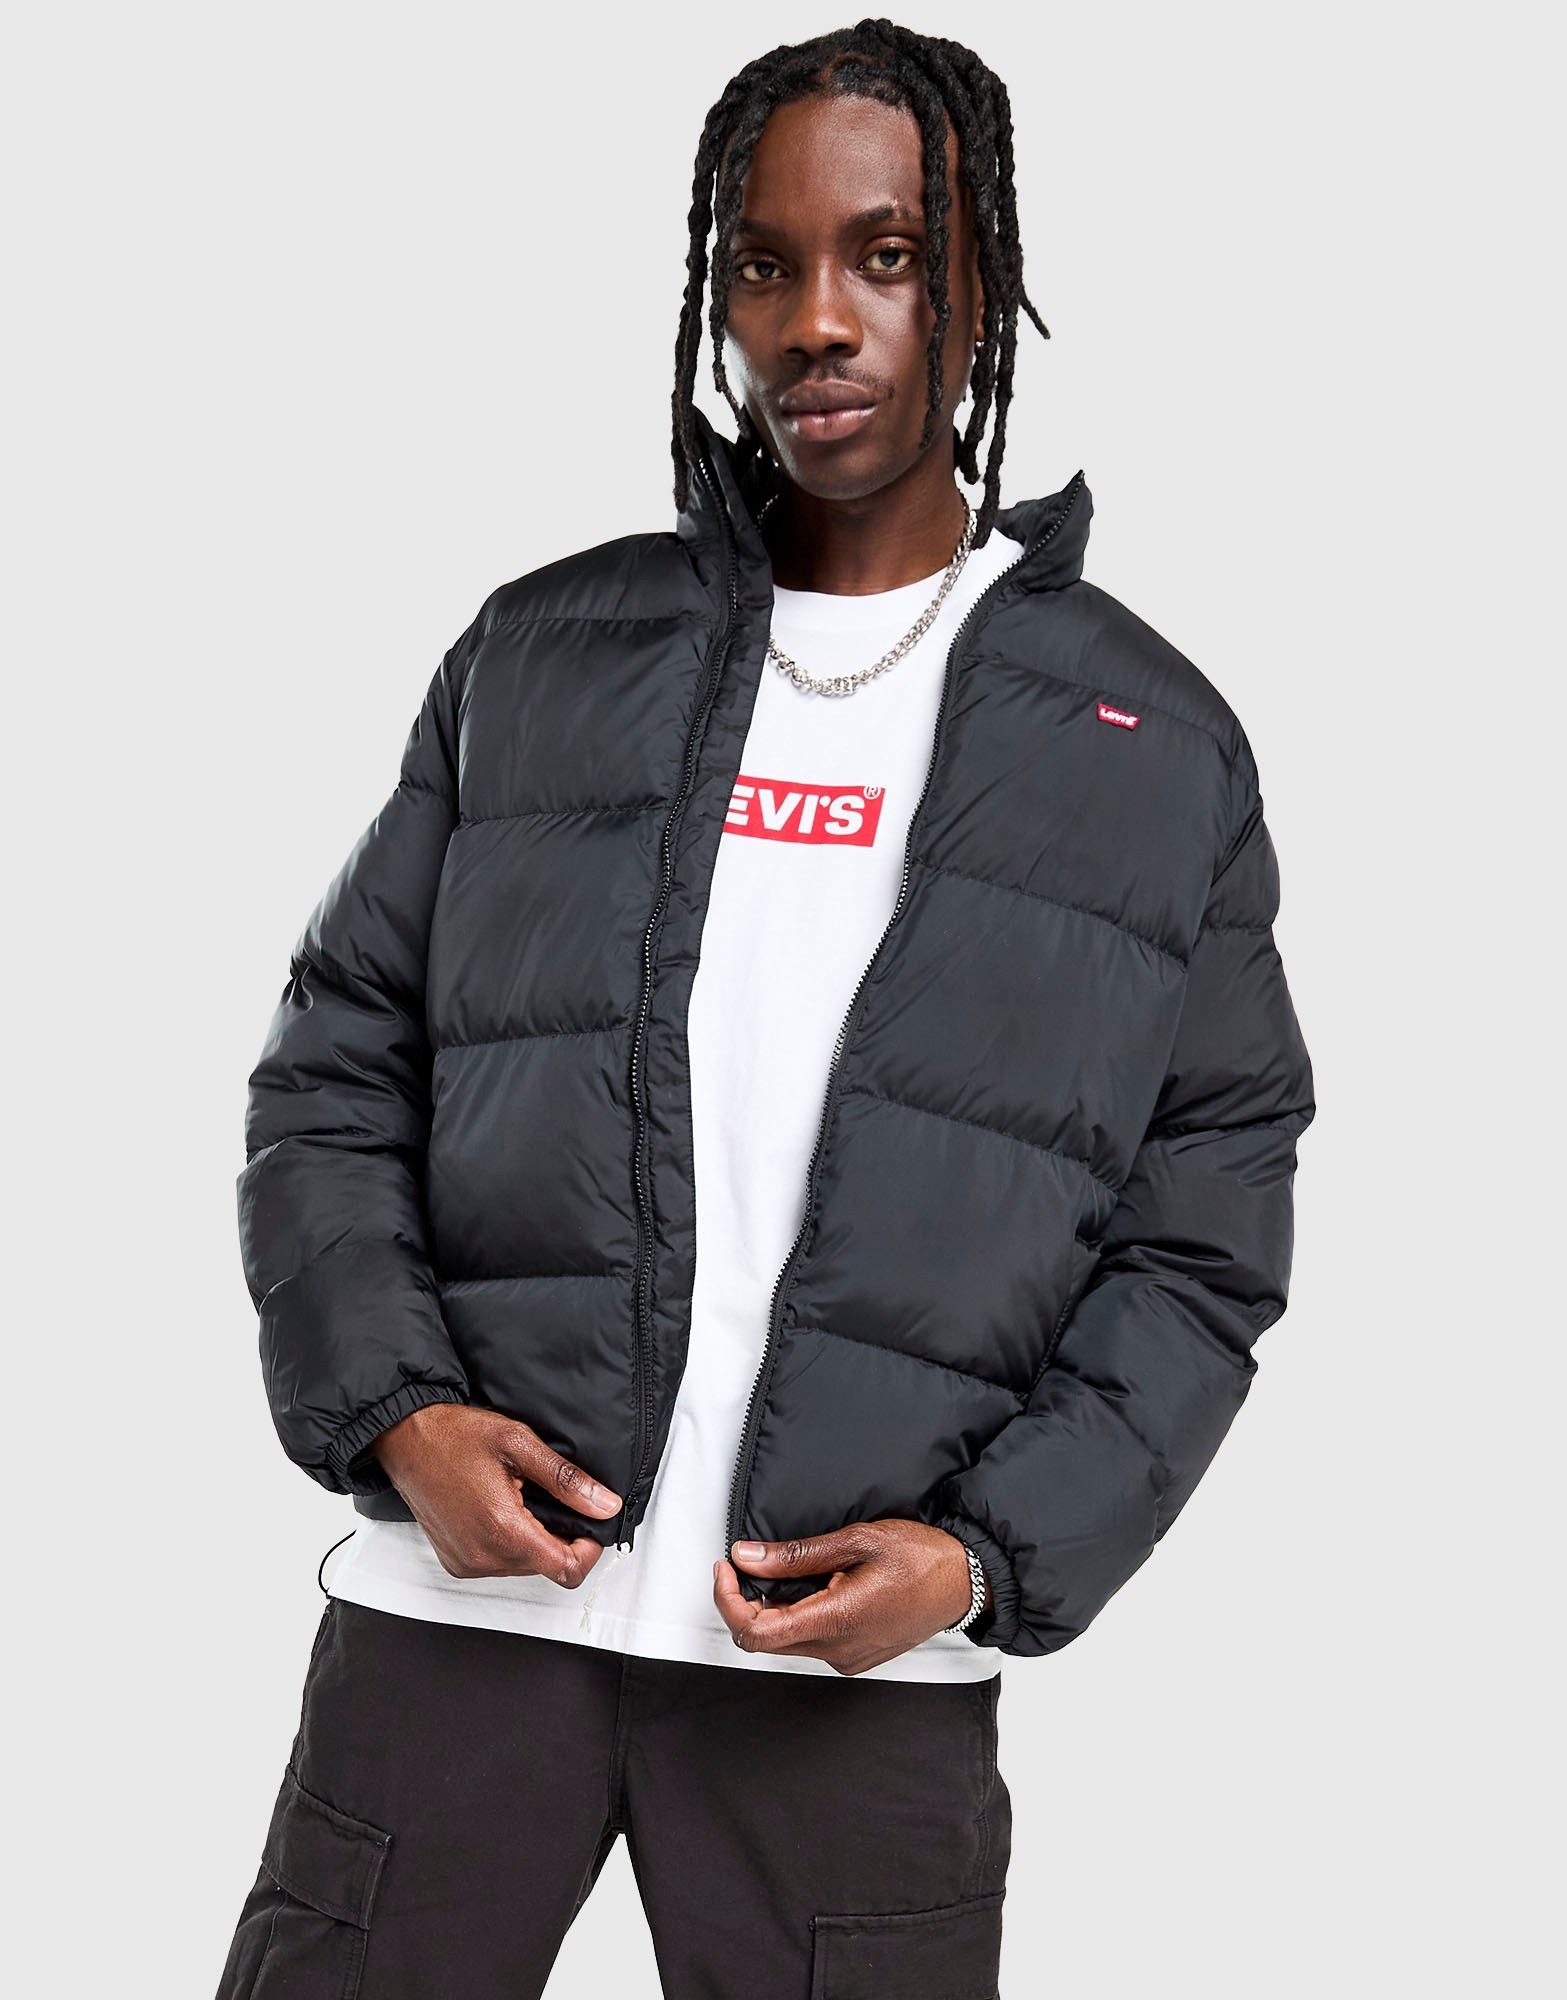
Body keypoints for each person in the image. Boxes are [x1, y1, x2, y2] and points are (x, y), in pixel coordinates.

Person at [217, 20, 1315, 1999]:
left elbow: (1204, 1233)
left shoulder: (1148, 744)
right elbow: (333, 1071)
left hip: (850, 1673)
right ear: (712, 295)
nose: (819, 320)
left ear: (977, 283)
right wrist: (395, 1413)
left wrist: (986, 1554)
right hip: (464, 1631)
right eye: (763, 261)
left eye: (886, 257)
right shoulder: (541, 657)